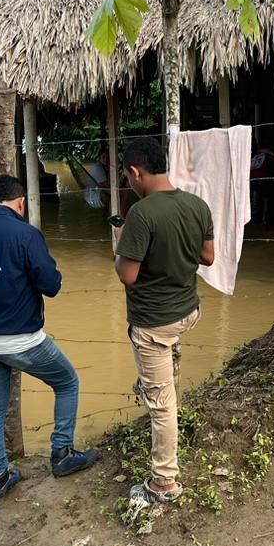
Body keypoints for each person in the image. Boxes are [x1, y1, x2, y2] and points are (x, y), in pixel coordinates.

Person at [0, 174, 98, 499]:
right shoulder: (26, 234)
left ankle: (0, 475)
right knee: (67, 382)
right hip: (22, 340)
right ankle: (62, 454)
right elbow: (51, 285)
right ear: (20, 203)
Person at [113, 137, 215, 505]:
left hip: (153, 323)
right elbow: (208, 258)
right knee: (164, 383)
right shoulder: (197, 205)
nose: (129, 183)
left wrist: (120, 242)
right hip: (187, 312)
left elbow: (127, 275)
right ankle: (164, 387)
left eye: (128, 177)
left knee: (160, 404)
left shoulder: (141, 214)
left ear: (136, 172)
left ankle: (164, 482)